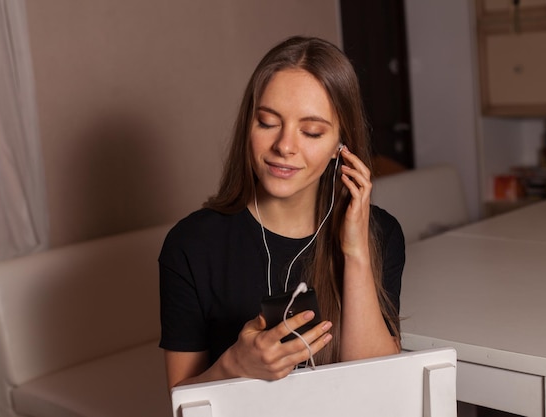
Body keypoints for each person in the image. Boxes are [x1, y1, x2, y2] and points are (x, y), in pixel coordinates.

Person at [159, 35, 405, 390]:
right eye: (268, 122)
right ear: (249, 125)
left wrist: (355, 252)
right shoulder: (191, 244)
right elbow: (180, 404)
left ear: (341, 145)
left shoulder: (380, 233)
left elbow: (379, 387)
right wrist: (235, 364)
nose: (284, 146)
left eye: (311, 131)